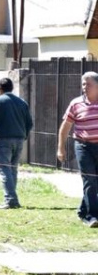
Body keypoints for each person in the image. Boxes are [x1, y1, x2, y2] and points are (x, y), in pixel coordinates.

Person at [0, 77, 33, 209]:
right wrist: (25, 135)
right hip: (19, 139)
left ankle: (11, 199)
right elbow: (29, 123)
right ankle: (12, 197)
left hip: (4, 139)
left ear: (0, 89)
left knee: (5, 169)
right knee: (13, 169)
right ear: (12, 88)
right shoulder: (22, 102)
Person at [57, 71, 98, 228]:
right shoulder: (76, 103)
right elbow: (65, 127)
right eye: (83, 84)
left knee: (95, 182)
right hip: (83, 146)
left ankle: (82, 210)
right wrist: (61, 148)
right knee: (89, 180)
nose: (84, 87)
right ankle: (92, 216)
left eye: (88, 84)